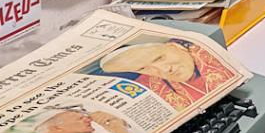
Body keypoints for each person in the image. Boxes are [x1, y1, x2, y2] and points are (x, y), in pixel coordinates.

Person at [93, 37, 233, 111]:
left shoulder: (206, 52)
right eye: (143, 68)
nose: (164, 70)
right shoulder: (149, 87)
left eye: (159, 58)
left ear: (174, 46)